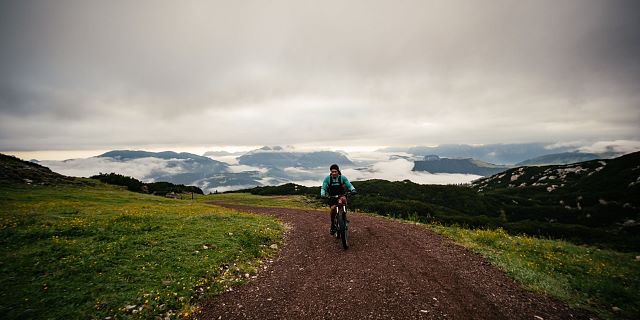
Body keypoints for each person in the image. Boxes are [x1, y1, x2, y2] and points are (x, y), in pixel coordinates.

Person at [320, 164, 357, 235]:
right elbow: (323, 188)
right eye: (332, 172)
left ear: (338, 171)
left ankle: (344, 216)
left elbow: (349, 185)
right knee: (333, 208)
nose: (334, 173)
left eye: (335, 171)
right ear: (330, 172)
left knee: (343, 200)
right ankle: (332, 224)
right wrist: (322, 194)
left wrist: (353, 190)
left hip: (341, 195)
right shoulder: (327, 179)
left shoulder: (342, 178)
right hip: (332, 196)